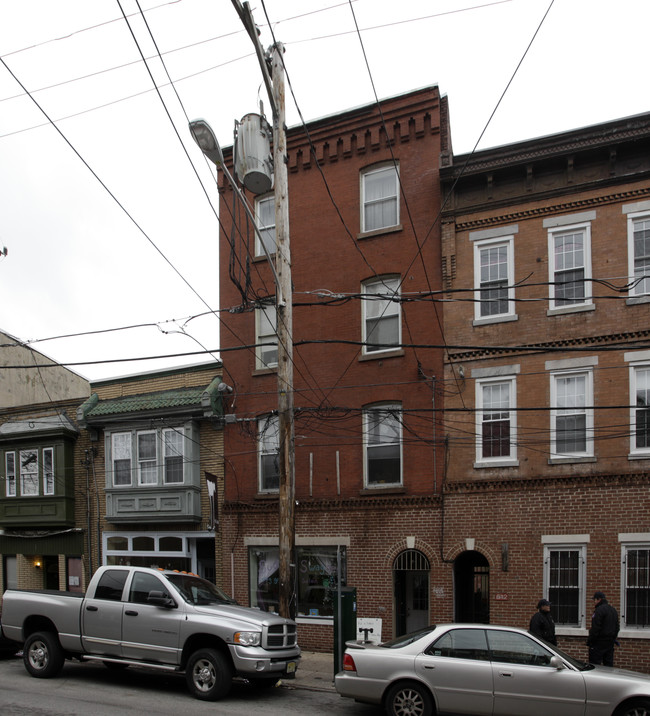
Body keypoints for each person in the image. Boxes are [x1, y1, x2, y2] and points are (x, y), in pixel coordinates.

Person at [588, 591, 620, 666]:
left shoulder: (598, 611)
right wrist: (613, 639)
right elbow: (617, 627)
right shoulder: (613, 610)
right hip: (610, 643)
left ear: (599, 599)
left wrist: (591, 641)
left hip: (598, 643)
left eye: (594, 600)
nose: (594, 602)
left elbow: (595, 628)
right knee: (608, 665)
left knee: (595, 666)